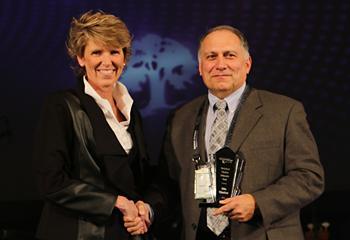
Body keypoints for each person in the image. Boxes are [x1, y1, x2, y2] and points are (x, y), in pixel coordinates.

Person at [153, 25, 325, 240]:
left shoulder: (285, 111)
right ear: (200, 67)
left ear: (247, 64)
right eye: (211, 56)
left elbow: (310, 177)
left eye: (229, 55)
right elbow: (168, 184)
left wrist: (257, 202)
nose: (220, 64)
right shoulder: (181, 118)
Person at [33, 10, 154, 240]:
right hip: (76, 233)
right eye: (96, 52)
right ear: (81, 58)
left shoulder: (131, 109)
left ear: (124, 57)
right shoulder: (61, 106)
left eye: (114, 52)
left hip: (125, 233)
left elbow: (139, 178)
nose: (106, 61)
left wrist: (142, 209)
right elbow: (51, 182)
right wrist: (114, 202)